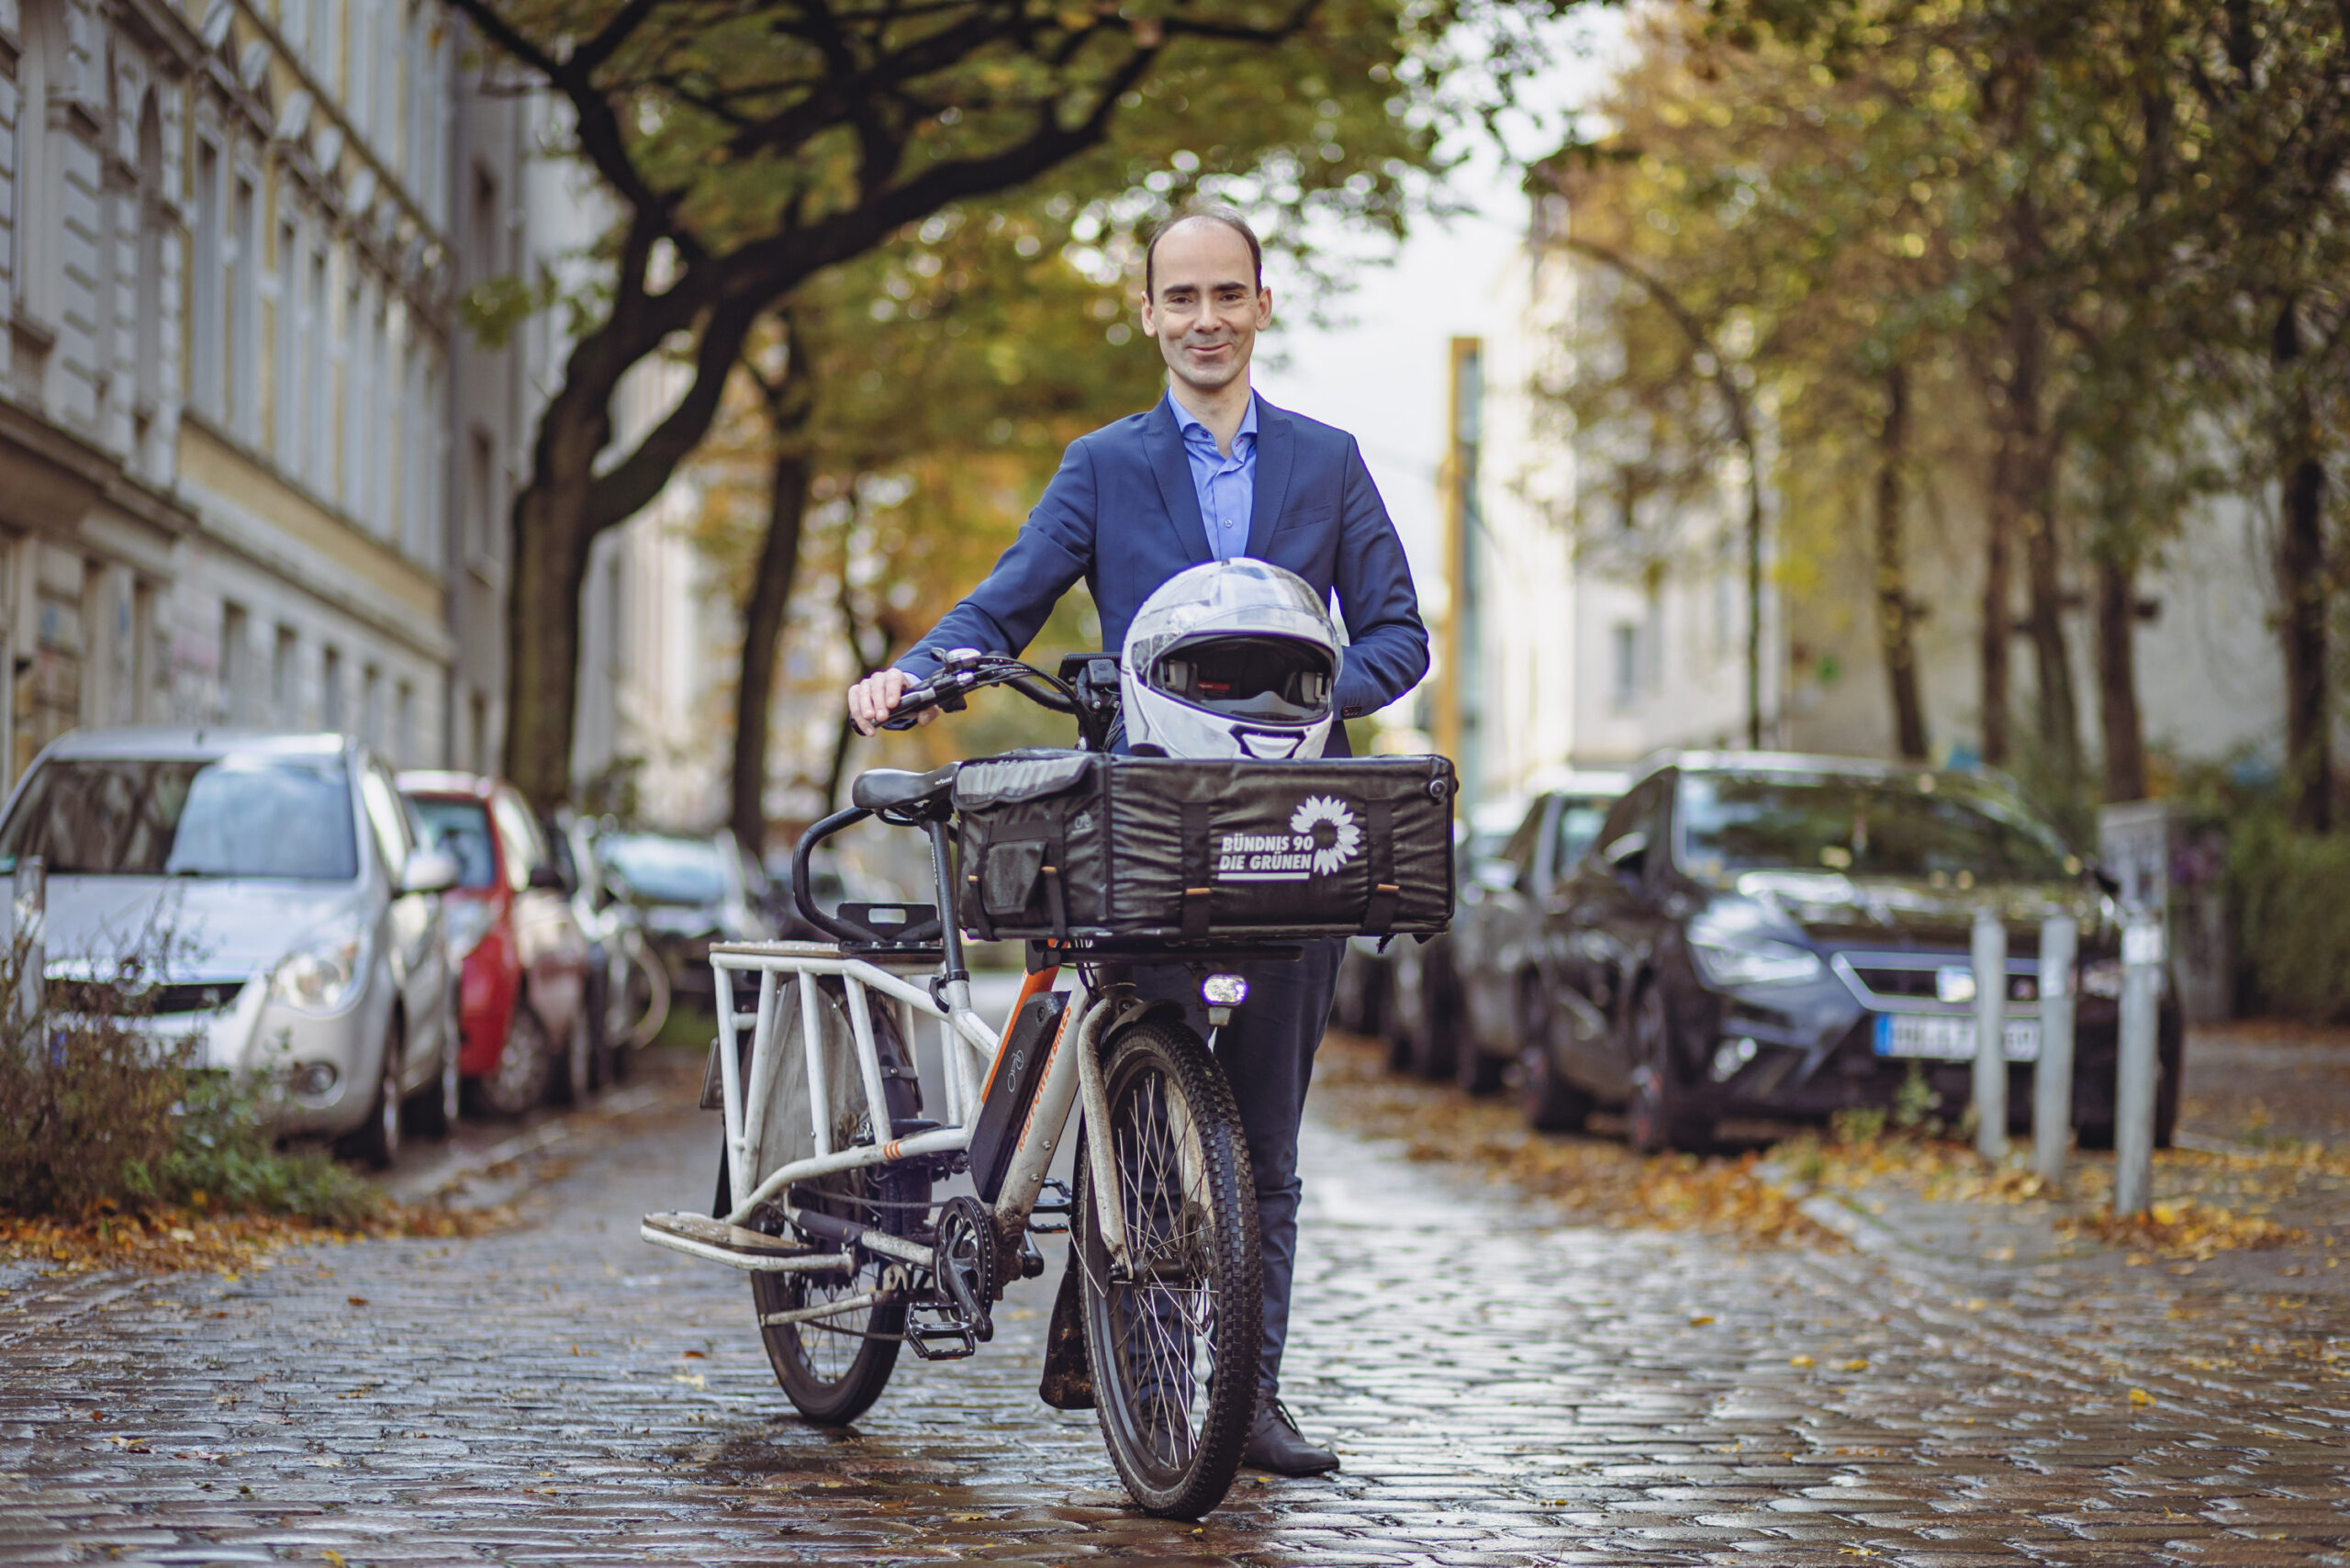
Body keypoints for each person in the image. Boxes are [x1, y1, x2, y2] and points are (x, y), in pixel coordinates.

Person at [847, 207, 1428, 1475]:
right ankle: (1147, 1369)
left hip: (1293, 840)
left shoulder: (1329, 466)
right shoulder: (1104, 467)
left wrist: (1311, 687)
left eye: (1230, 295)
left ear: (1263, 306)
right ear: (1149, 313)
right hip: (1147, 833)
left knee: (1265, 1141)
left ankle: (1252, 1396)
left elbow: (1400, 634)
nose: (1207, 319)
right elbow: (1007, 598)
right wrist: (914, 672)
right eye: (1183, 298)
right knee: (1149, 1114)